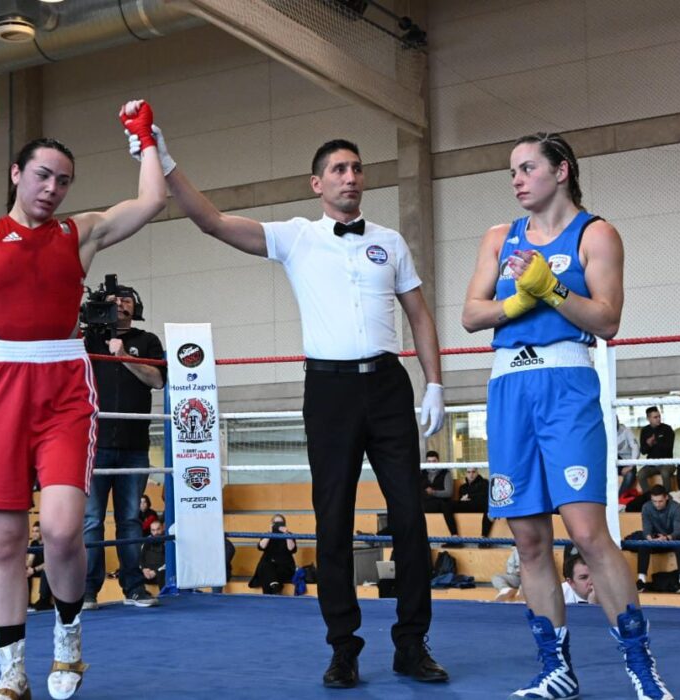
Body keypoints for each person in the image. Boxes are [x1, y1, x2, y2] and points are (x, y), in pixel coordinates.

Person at [139, 128, 448, 687]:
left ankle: (411, 644)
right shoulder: (296, 237)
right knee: (333, 520)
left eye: (357, 168)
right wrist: (162, 158)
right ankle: (343, 648)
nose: (351, 177)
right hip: (328, 391)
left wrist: (436, 384)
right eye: (339, 169)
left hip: (388, 385)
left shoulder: (391, 241)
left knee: (409, 516)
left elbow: (420, 315)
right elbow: (212, 221)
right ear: (316, 184)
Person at [0, 97, 166, 700]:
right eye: (43, 176)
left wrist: (146, 139)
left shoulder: (79, 234)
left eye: (64, 180)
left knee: (61, 528)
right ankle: (11, 675)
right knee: (2, 542)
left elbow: (152, 200)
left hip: (64, 387)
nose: (52, 189)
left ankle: (69, 638)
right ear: (16, 174)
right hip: (4, 386)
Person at [461, 132, 671, 699]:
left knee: (587, 533)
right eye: (512, 171)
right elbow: (471, 314)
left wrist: (551, 289)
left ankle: (642, 668)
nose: (517, 179)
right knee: (529, 541)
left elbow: (607, 320)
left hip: (566, 384)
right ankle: (556, 670)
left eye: (527, 167)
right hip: (509, 386)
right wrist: (518, 301)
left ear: (561, 171)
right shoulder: (499, 237)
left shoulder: (596, 233)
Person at [82, 279, 166, 610]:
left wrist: (122, 356)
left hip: (134, 444)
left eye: (126, 299)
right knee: (91, 520)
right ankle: (88, 590)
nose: (120, 303)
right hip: (95, 444)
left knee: (130, 519)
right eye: (113, 300)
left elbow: (157, 380)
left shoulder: (147, 340)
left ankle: (134, 587)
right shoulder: (88, 340)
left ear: (136, 306)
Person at [635, 486, 680, 593]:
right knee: (642, 540)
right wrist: (650, 538)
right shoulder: (646, 507)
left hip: (672, 539)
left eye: (660, 501)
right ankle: (641, 580)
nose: (657, 504)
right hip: (656, 540)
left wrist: (667, 537)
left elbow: (678, 531)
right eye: (654, 501)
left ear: (666, 497)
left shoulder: (676, 507)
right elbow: (646, 528)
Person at [421, 451, 462, 548]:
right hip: (426, 504)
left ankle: (454, 536)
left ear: (438, 461)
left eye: (434, 461)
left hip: (441, 503)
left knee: (445, 504)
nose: (431, 464)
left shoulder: (445, 473)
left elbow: (448, 493)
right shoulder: (422, 473)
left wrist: (433, 492)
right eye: (429, 461)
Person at [248, 514, 298, 594]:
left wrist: (286, 534)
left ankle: (272, 591)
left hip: (284, 566)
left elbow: (291, 549)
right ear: (271, 524)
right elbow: (261, 546)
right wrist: (270, 534)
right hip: (268, 565)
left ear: (284, 524)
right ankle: (275, 588)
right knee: (265, 566)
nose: (278, 525)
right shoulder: (267, 534)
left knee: (268, 574)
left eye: (280, 523)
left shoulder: (289, 534)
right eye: (276, 523)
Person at [636, 407, 675, 492]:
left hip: (667, 463)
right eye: (655, 417)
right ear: (648, 418)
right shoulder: (645, 430)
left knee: (665, 473)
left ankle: (667, 496)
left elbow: (669, 447)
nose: (658, 419)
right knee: (640, 474)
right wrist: (648, 444)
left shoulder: (667, 429)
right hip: (651, 464)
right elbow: (643, 451)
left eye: (659, 416)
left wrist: (655, 442)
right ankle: (648, 496)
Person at [26, 521, 52, 611]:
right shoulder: (34, 543)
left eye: (37, 531)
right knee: (23, 572)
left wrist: (33, 570)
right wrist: (24, 567)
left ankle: (44, 600)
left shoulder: (49, 543)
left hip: (49, 569)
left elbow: (49, 562)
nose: (34, 533)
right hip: (36, 569)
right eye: (33, 531)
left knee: (47, 570)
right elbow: (30, 560)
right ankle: (26, 602)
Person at [616, 420, 641, 499]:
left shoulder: (626, 431)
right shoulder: (605, 432)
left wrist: (630, 466)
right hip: (613, 464)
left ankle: (619, 499)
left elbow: (635, 448)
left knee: (630, 475)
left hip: (628, 462)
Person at [139, 520, 166, 586]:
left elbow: (170, 562)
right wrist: (143, 569)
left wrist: (156, 572)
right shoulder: (147, 541)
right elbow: (140, 558)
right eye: (153, 530)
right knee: (131, 572)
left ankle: (164, 593)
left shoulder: (168, 540)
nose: (156, 532)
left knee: (163, 574)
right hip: (147, 573)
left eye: (158, 529)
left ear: (163, 528)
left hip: (160, 573)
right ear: (150, 531)